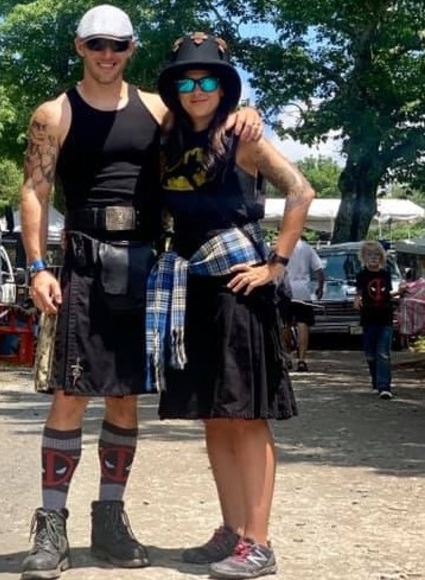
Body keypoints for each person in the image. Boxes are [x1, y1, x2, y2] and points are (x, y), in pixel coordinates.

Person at [19, 6, 263, 579]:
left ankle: (109, 520)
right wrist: (36, 267)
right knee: (70, 394)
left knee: (125, 396)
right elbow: (35, 190)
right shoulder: (54, 114)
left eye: (118, 46)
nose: (108, 55)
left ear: (131, 49)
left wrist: (246, 111)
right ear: (80, 47)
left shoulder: (157, 109)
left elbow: (209, 119)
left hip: (145, 265)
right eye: (97, 45)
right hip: (83, 263)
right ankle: (52, 528)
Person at [148, 33, 315, 579]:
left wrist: (276, 264)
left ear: (224, 87)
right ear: (175, 89)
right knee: (215, 417)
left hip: (240, 290)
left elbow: (301, 191)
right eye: (186, 81)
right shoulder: (167, 137)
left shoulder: (243, 137)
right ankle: (232, 531)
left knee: (246, 417)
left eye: (208, 80)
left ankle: (259, 543)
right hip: (193, 288)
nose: (197, 89)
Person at [354, 241, 395, 399]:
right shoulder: (362, 275)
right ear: (364, 257)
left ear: (382, 257)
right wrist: (357, 299)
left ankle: (384, 386)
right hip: (369, 318)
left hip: (385, 318)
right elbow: (359, 293)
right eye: (370, 255)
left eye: (377, 255)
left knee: (383, 353)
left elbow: (387, 293)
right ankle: (376, 381)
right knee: (370, 354)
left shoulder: (385, 274)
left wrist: (400, 292)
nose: (373, 258)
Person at [282, 237, 325, 371]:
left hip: (285, 288)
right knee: (303, 324)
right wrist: (320, 287)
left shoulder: (282, 246)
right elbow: (319, 270)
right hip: (303, 290)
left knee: (286, 324)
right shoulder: (307, 248)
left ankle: (287, 357)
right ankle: (301, 360)